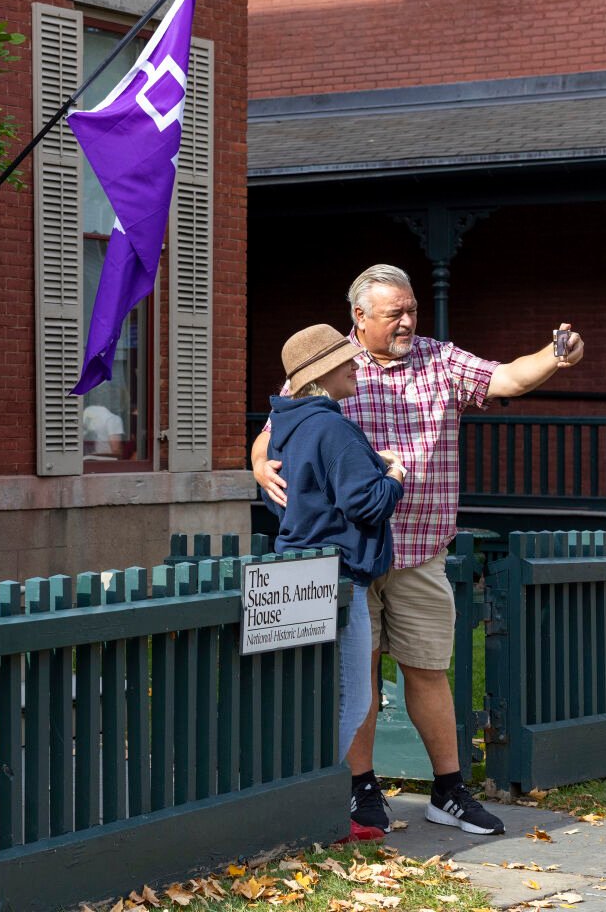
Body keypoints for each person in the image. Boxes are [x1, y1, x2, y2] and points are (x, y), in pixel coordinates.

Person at [250, 264, 585, 836]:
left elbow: (505, 379)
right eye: (393, 313)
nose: (407, 321)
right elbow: (285, 422)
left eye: (410, 310)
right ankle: (361, 792)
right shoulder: (330, 363)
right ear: (360, 316)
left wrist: (553, 357)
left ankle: (449, 792)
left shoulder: (440, 360)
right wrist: (259, 460)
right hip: (349, 557)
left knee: (427, 671)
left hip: (418, 547)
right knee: (360, 673)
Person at [266, 323, 406, 843]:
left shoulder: (286, 425)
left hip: (293, 572)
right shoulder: (332, 428)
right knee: (352, 698)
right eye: (346, 361)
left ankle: (300, 801)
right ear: (321, 375)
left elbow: (279, 496)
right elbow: (365, 503)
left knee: (306, 696)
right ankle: (322, 807)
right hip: (338, 579)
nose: (355, 366)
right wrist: (394, 475)